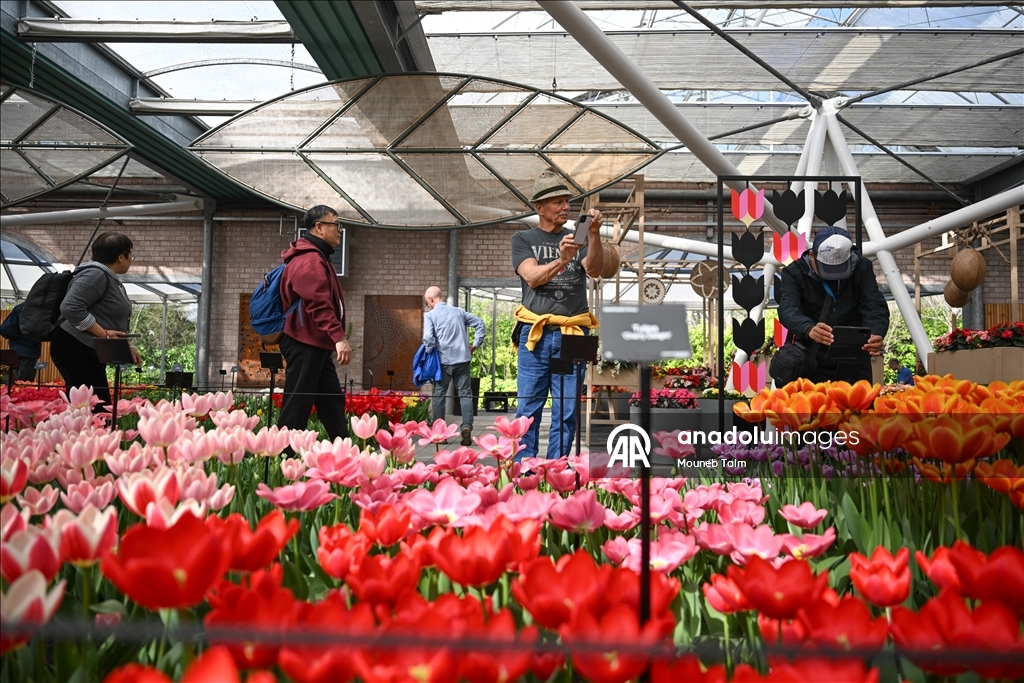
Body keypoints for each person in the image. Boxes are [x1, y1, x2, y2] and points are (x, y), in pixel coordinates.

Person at [511, 169, 606, 460]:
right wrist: (562, 260)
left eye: (567, 202)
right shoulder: (523, 238)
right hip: (535, 336)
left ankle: (557, 472)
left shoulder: (578, 237)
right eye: (558, 202)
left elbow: (595, 269)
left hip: (573, 334)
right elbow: (532, 277)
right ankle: (525, 472)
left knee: (566, 411)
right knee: (528, 409)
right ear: (539, 208)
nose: (566, 207)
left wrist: (593, 234)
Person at [777, 225, 889, 383]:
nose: (834, 276)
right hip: (811, 357)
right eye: (828, 269)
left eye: (840, 269)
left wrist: (876, 332)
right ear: (812, 255)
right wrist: (809, 328)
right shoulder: (794, 272)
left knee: (858, 399)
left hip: (854, 356)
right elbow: (787, 309)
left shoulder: (861, 267)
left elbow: (874, 305)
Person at [277, 205, 351, 440]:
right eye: (336, 224)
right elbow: (318, 304)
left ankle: (345, 451)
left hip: (314, 343)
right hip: (304, 342)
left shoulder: (318, 257)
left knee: (331, 401)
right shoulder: (309, 260)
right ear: (319, 227)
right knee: (297, 405)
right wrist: (339, 337)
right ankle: (283, 455)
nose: (340, 230)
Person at [49, 232, 141, 409]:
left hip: (84, 349)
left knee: (91, 407)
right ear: (121, 257)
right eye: (131, 255)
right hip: (76, 347)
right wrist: (103, 334)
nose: (131, 260)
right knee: (96, 408)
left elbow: (104, 317)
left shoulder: (107, 277)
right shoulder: (96, 275)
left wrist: (126, 345)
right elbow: (70, 307)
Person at [422, 286, 486, 446]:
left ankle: (440, 435)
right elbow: (480, 323)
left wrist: (428, 353)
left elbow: (428, 338)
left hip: (443, 362)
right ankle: (466, 426)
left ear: (431, 300)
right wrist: (475, 345)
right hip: (462, 360)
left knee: (439, 395)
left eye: (427, 302)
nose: (427, 305)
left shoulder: (430, 316)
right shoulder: (459, 312)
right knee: (465, 394)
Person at [0, 303, 42, 381]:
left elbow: (6, 329)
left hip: (15, 351)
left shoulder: (18, 308)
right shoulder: (35, 308)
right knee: (25, 381)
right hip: (29, 350)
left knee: (17, 380)